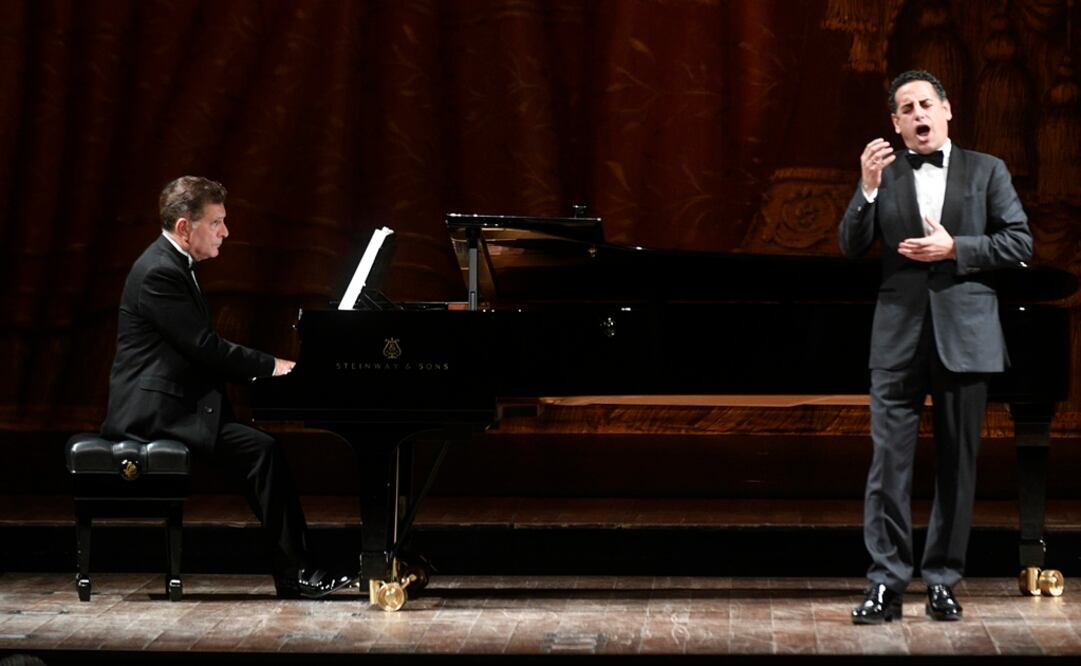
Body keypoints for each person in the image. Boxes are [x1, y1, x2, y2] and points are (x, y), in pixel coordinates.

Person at [101, 176, 354, 599]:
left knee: (261, 450)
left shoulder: (172, 264)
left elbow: (201, 349)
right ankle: (298, 574)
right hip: (152, 414)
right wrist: (273, 366)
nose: (225, 232)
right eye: (217, 222)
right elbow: (205, 347)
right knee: (263, 451)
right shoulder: (159, 272)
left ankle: (301, 569)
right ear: (186, 227)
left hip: (175, 405)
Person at [839, 71, 1032, 624]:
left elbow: (1019, 241)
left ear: (946, 111)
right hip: (898, 336)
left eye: (926, 103)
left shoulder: (986, 169)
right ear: (896, 124)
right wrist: (867, 187)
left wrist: (956, 248)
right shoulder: (887, 173)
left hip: (965, 335)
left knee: (957, 465)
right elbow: (851, 247)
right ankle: (886, 583)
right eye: (906, 108)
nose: (918, 113)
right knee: (887, 467)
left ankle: (943, 579)